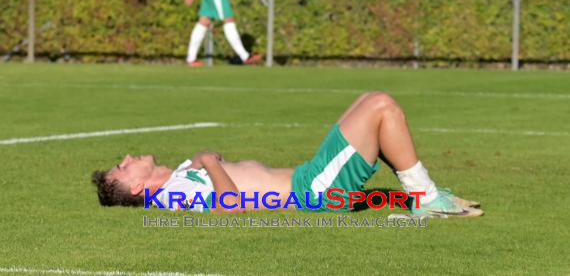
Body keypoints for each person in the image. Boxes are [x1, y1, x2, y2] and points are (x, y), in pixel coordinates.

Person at [92, 92, 483, 217]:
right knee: (380, 105)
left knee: (367, 102)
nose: (126, 157)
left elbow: (214, 167)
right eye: (121, 168)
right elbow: (230, 207)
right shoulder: (173, 197)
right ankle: (426, 197)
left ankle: (423, 193)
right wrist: (209, 162)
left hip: (310, 178)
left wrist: (202, 159)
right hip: (312, 190)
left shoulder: (176, 179)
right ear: (139, 187)